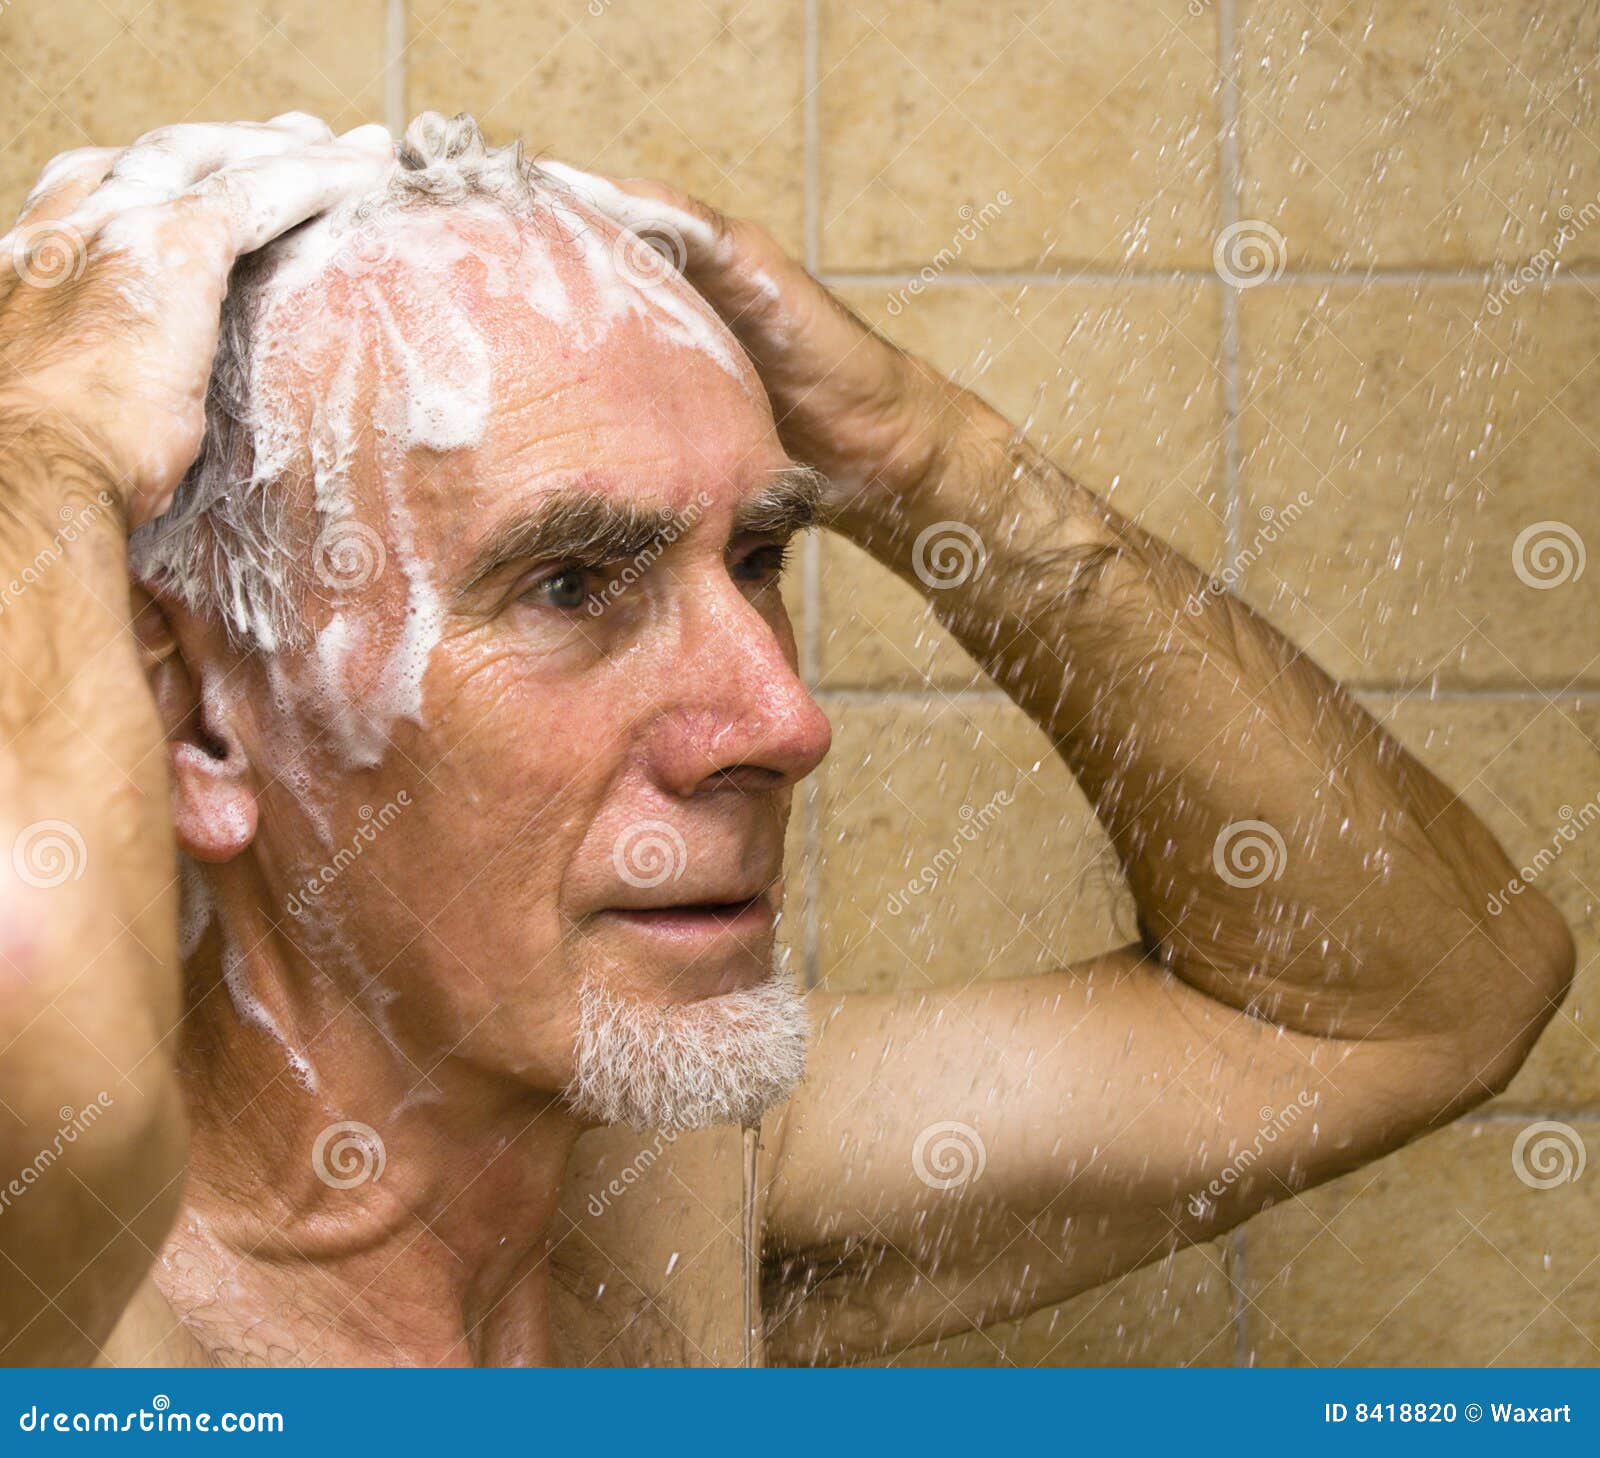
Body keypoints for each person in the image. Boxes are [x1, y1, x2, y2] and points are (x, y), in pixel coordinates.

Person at [0, 111, 1572, 1368]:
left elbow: (1421, 996)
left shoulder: (679, 1195)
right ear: (201, 721)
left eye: (758, 557)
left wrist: (918, 452)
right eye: (569, 584)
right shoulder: (75, 1327)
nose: (785, 719)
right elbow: (33, 985)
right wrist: (50, 449)